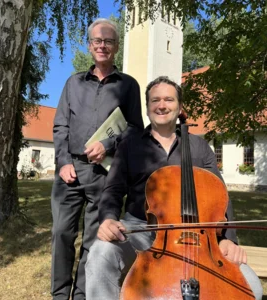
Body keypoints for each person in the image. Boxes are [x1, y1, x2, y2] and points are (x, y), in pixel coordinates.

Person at [85, 76, 263, 300]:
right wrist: (108, 218)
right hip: (140, 230)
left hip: (198, 236)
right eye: (155, 100)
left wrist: (228, 239)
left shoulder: (199, 147)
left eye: (169, 99)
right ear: (148, 107)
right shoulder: (129, 145)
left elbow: (221, 198)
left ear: (180, 107)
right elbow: (113, 190)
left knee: (251, 288)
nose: (161, 105)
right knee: (101, 253)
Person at [51, 18, 144, 300]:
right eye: (97, 41)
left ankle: (81, 295)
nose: (102, 46)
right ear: (90, 45)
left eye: (109, 41)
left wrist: (107, 144)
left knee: (94, 238)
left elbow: (135, 127)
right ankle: (59, 295)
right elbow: (60, 126)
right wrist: (64, 161)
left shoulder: (128, 85)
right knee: (61, 234)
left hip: (105, 172)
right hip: (70, 171)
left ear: (116, 47)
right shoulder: (73, 83)